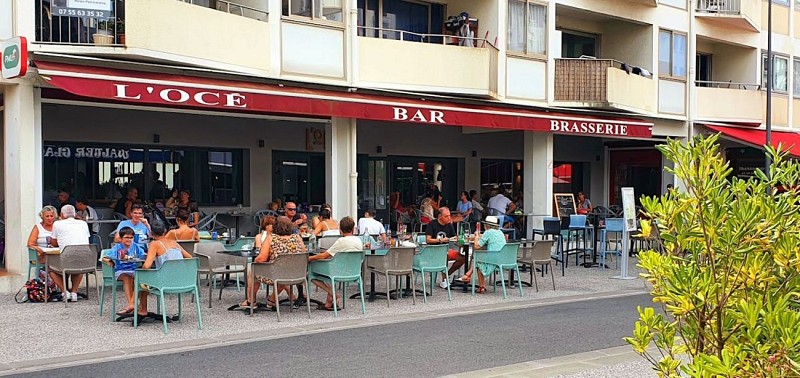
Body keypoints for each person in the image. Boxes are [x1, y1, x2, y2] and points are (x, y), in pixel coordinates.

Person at [243, 217, 307, 310]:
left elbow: (261, 259)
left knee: (253, 270)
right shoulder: (297, 238)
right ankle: (272, 300)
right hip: (297, 275)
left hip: (276, 275)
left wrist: (256, 261)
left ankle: (251, 301)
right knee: (282, 270)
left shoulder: (271, 238)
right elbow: (304, 255)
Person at [137, 222, 193, 317]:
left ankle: (142, 309)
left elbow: (147, 266)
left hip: (164, 282)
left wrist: (141, 271)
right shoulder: (174, 243)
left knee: (140, 279)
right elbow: (190, 258)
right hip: (182, 281)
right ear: (165, 231)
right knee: (143, 279)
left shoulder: (154, 244)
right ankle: (137, 307)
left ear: (151, 234)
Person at [309, 216, 362, 311]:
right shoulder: (358, 240)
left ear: (340, 229)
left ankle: (332, 293)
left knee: (310, 275)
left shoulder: (341, 241)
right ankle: (328, 303)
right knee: (330, 269)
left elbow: (324, 256)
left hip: (338, 271)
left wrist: (309, 258)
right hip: (354, 272)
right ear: (353, 228)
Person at [49, 205, 91, 302]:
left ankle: (65, 292)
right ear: (75, 214)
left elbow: (53, 242)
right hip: (86, 261)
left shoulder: (57, 224)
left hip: (66, 259)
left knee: (50, 268)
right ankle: (74, 292)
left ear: (62, 215)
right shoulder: (83, 224)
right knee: (78, 267)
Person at [101, 226, 146, 315]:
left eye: (131, 238)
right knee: (127, 278)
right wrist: (109, 261)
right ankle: (131, 304)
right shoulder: (117, 247)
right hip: (121, 271)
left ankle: (132, 306)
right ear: (121, 238)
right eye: (126, 237)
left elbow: (143, 255)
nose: (129, 240)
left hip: (133, 270)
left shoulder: (136, 246)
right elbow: (104, 258)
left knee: (142, 279)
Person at [458, 215, 508, 293]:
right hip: (503, 258)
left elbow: (477, 246)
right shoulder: (500, 232)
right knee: (478, 258)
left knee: (477, 257)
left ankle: (469, 276)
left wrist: (476, 236)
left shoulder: (488, 232)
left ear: (486, 225)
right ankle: (472, 279)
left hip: (494, 259)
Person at [425, 207, 465, 289]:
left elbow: (453, 238)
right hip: (433, 251)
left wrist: (460, 242)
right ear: (440, 216)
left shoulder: (449, 225)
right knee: (445, 255)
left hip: (446, 250)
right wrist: (440, 240)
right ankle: (444, 280)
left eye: (449, 216)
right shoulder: (432, 224)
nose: (449, 218)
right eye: (446, 216)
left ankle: (447, 275)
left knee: (462, 258)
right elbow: (428, 239)